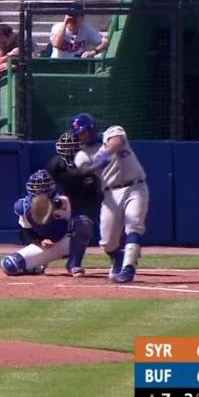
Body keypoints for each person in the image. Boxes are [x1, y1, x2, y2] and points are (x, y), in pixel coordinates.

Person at [72, 113, 149, 283]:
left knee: (134, 224)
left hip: (136, 186)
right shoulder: (81, 155)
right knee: (107, 242)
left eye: (84, 132)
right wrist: (89, 168)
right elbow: (84, 168)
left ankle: (129, 269)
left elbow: (117, 142)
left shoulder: (112, 132)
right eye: (79, 134)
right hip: (110, 193)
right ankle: (118, 258)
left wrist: (102, 157)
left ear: (92, 129)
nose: (82, 137)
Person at [0, 170, 92, 276]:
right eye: (37, 187)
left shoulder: (62, 202)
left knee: (83, 223)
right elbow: (27, 229)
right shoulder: (23, 206)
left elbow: (76, 219)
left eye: (43, 188)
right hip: (45, 246)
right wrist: (40, 241)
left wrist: (56, 206)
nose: (40, 191)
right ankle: (37, 267)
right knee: (10, 265)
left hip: (67, 242)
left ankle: (74, 265)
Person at [45, 129, 103, 276]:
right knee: (45, 212)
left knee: (83, 226)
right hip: (65, 198)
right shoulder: (56, 163)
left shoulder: (91, 161)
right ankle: (41, 258)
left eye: (74, 147)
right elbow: (44, 186)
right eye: (67, 148)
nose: (70, 151)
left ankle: (74, 263)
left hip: (87, 200)